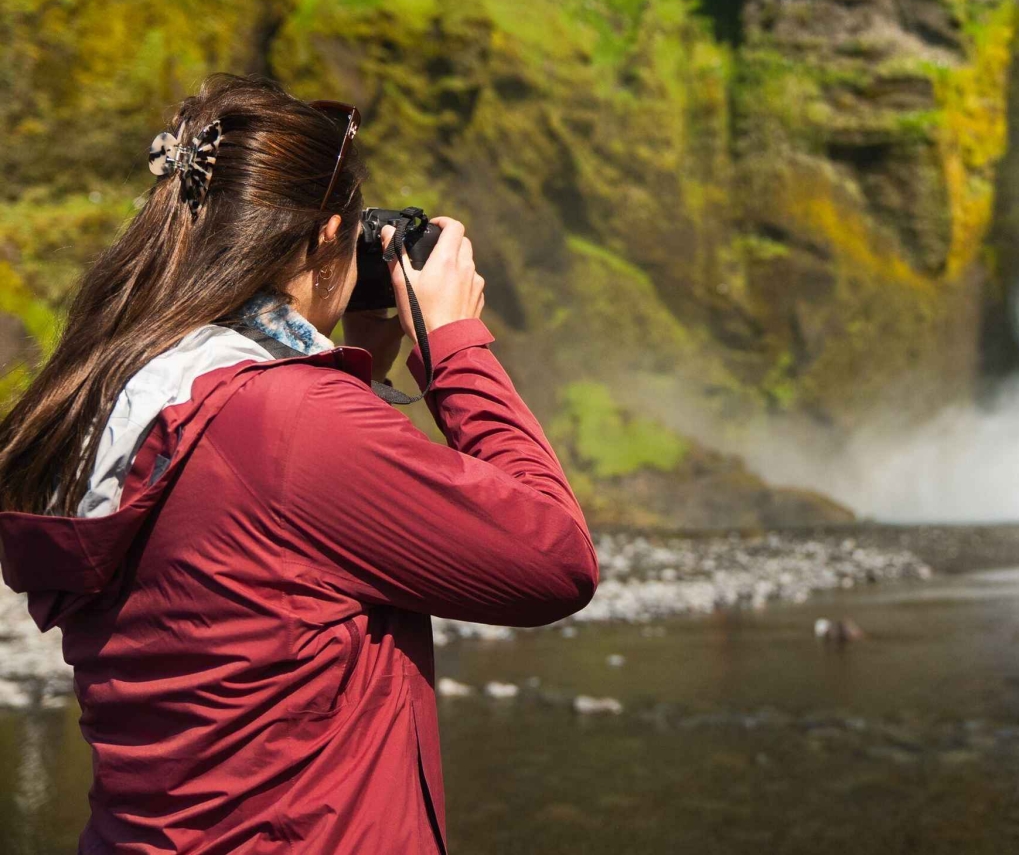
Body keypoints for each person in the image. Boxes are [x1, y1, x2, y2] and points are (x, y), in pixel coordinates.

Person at [0, 74, 598, 853]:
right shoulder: (287, 424)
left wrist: (349, 369)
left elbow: (263, 569)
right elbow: (555, 561)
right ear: (323, 238)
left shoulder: (122, 397)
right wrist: (453, 344)